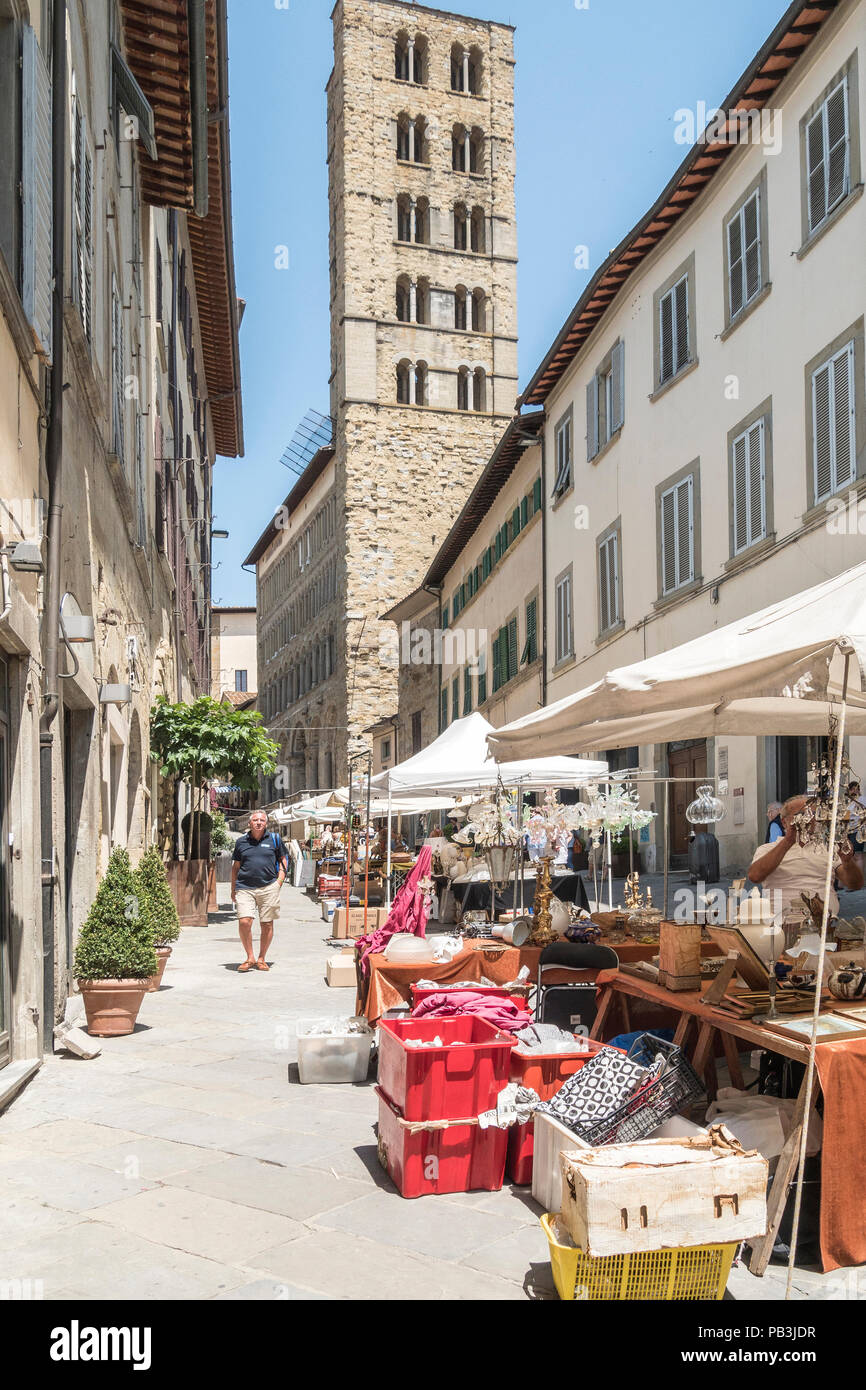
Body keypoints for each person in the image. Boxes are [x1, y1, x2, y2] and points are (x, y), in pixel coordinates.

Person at [747, 794, 864, 919]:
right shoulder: (767, 849)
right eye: (801, 814)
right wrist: (788, 842)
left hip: (825, 923)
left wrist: (847, 862)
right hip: (782, 923)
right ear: (784, 821)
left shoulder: (827, 848)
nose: (809, 820)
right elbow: (755, 876)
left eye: (812, 814)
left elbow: (855, 885)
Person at [230, 810, 289, 973]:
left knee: (267, 923)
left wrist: (279, 882)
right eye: (255, 820)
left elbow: (283, 860)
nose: (258, 822)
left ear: (266, 823)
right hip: (244, 887)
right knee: (244, 921)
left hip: (269, 886)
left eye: (262, 820)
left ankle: (261, 958)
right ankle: (250, 957)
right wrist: (233, 888)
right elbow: (235, 867)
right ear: (250, 823)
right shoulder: (241, 842)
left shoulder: (274, 840)